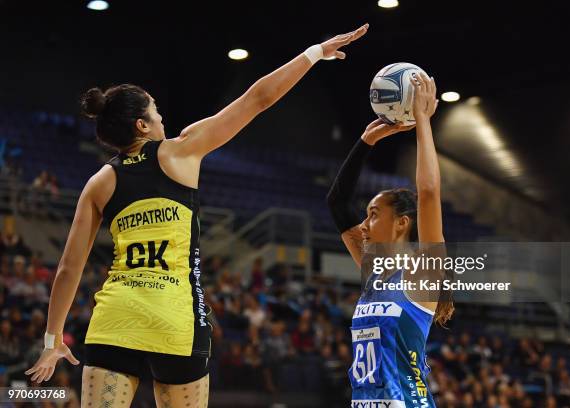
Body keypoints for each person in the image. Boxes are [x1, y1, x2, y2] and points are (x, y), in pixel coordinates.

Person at [25, 23, 368, 408]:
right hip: (177, 324)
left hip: (115, 323)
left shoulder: (99, 182)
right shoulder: (179, 152)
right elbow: (257, 99)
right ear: (142, 125)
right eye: (155, 112)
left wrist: (53, 342)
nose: (161, 118)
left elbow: (68, 269)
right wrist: (314, 53)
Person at [326, 72, 451, 408]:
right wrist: (366, 140)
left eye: (374, 214)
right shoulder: (374, 270)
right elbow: (337, 202)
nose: (364, 225)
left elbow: (428, 192)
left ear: (402, 223)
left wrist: (423, 120)